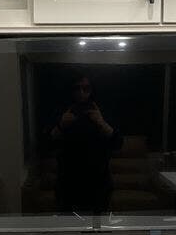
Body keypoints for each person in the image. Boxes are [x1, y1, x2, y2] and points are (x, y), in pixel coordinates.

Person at [49, 73, 123, 214]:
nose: (81, 92)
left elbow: (118, 143)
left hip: (98, 182)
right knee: (68, 226)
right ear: (71, 90)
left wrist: (101, 123)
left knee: (97, 226)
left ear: (92, 90)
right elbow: (46, 144)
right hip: (68, 182)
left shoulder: (102, 110)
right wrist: (61, 125)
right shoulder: (62, 110)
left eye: (86, 88)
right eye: (77, 88)